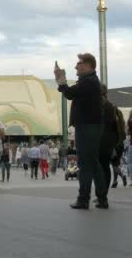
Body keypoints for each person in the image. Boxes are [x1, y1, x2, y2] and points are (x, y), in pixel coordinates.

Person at [55, 53, 108, 209]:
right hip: (90, 126)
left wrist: (61, 78)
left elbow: (70, 94)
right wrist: (61, 81)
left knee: (85, 163)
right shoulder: (90, 81)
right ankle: (102, 198)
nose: (76, 67)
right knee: (93, 163)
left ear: (86, 65)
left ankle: (83, 199)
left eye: (78, 63)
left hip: (87, 126)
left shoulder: (88, 81)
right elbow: (71, 93)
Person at [98, 84, 121, 191]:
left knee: (101, 168)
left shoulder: (101, 104)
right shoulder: (111, 105)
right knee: (105, 167)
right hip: (109, 142)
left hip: (101, 141)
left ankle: (102, 195)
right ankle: (103, 195)